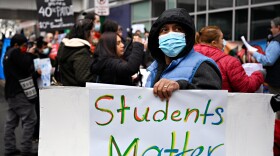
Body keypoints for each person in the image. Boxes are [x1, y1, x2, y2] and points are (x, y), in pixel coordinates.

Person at [145, 8, 222, 101]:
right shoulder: (155, 68)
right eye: (165, 30)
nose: (171, 34)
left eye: (178, 29)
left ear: (187, 35)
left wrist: (181, 85)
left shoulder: (202, 65)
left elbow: (213, 101)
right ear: (157, 37)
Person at [194, 26, 264, 92]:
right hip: (223, 104)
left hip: (195, 104)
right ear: (214, 43)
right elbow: (245, 87)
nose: (224, 42)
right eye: (222, 38)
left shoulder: (188, 56)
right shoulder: (230, 62)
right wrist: (259, 74)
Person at [3, 34, 38, 156]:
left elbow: (20, 71)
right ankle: (26, 149)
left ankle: (9, 148)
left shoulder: (7, 54)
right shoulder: (15, 52)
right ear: (16, 45)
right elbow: (25, 65)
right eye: (24, 45)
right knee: (30, 119)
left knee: (11, 122)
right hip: (20, 92)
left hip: (11, 92)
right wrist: (29, 53)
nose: (26, 48)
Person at [55, 19, 95, 86]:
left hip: (67, 90)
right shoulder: (81, 51)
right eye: (92, 31)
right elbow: (84, 79)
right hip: (79, 93)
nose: (94, 34)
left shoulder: (65, 47)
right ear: (86, 33)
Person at [248, 17, 280, 94]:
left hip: (276, 82)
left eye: (272, 28)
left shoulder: (276, 42)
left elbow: (268, 61)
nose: (271, 30)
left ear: (278, 27)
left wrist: (254, 53)